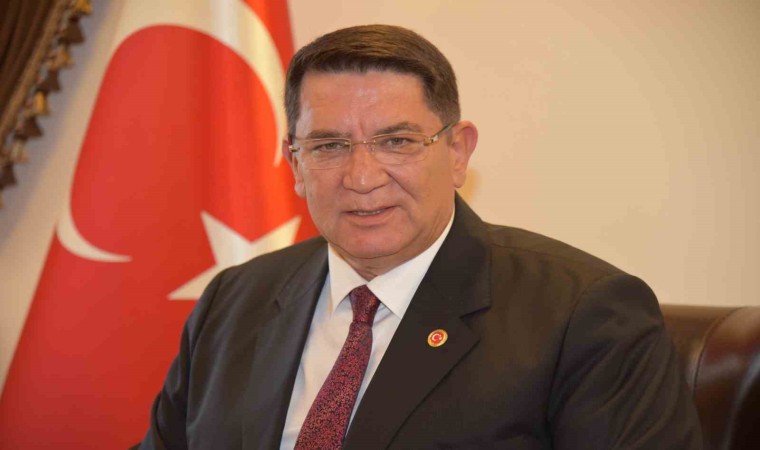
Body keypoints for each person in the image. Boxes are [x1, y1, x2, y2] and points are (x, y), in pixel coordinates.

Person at [139, 24, 702, 449]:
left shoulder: (584, 314)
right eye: (329, 146)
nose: (362, 177)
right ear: (295, 164)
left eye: (397, 142)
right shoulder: (233, 302)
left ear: (457, 152)